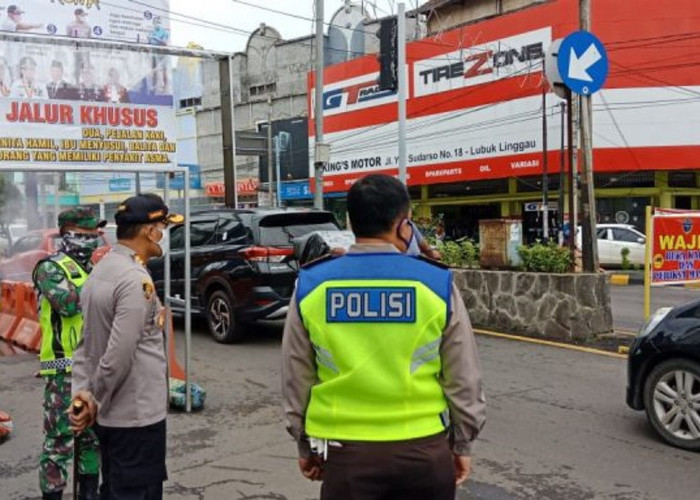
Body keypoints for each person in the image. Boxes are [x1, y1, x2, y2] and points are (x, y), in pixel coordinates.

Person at [282, 174, 486, 499]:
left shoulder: (312, 285)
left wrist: (304, 445)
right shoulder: (436, 284)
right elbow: (464, 377)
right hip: (425, 453)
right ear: (404, 224)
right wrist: (462, 443)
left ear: (350, 221)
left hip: (345, 456)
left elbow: (297, 377)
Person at [70, 194, 183, 500]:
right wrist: (94, 399)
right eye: (164, 226)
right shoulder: (134, 279)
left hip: (112, 417)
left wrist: (82, 392)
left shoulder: (103, 270)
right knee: (136, 492)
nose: (166, 235)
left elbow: (85, 345)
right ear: (149, 231)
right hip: (136, 417)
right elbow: (118, 354)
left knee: (115, 489)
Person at [32, 207, 105, 500]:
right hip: (64, 370)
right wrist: (106, 285)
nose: (92, 240)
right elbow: (68, 304)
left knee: (92, 438)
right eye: (85, 235)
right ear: (68, 235)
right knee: (60, 442)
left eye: (94, 235)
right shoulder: (50, 268)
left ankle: (89, 494)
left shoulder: (94, 269)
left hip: (95, 368)